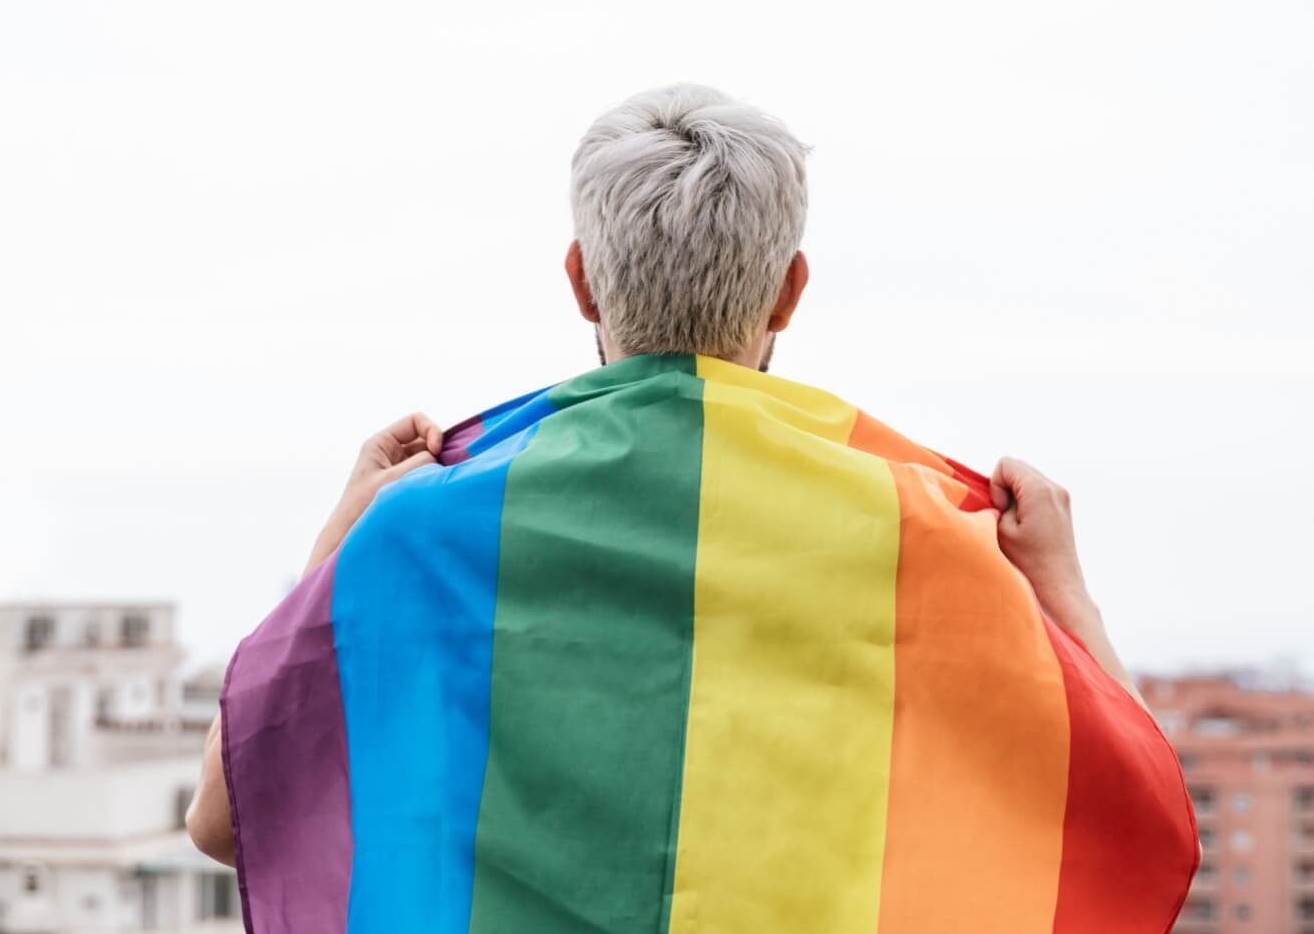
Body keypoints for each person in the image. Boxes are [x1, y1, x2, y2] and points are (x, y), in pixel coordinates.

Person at [185, 85, 1196, 933]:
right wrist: (1060, 583)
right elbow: (1140, 813)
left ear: (581, 281)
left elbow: (225, 819)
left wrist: (340, 542)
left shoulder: (417, 537)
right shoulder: (928, 539)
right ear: (789, 291)